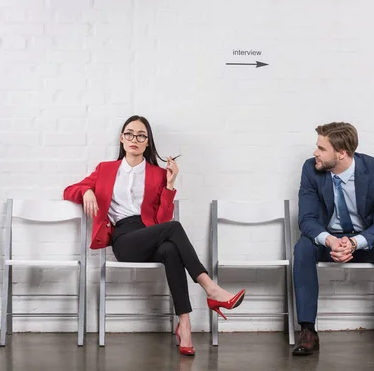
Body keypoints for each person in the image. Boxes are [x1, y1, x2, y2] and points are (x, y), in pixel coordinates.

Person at [63, 115, 245, 356]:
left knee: (170, 250)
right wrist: (87, 191)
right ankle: (210, 288)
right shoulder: (105, 169)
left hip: (149, 234)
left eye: (141, 135)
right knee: (175, 229)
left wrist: (170, 185)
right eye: (129, 134)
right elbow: (69, 190)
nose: (134, 139)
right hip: (124, 239)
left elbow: (163, 219)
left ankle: (185, 326)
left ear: (148, 142)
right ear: (121, 138)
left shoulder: (157, 174)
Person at [292, 122, 374, 357]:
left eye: (322, 148)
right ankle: (308, 330)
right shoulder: (311, 169)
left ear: (341, 153)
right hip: (329, 240)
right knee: (303, 247)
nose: (315, 153)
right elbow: (307, 219)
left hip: (367, 239)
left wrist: (355, 242)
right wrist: (331, 241)